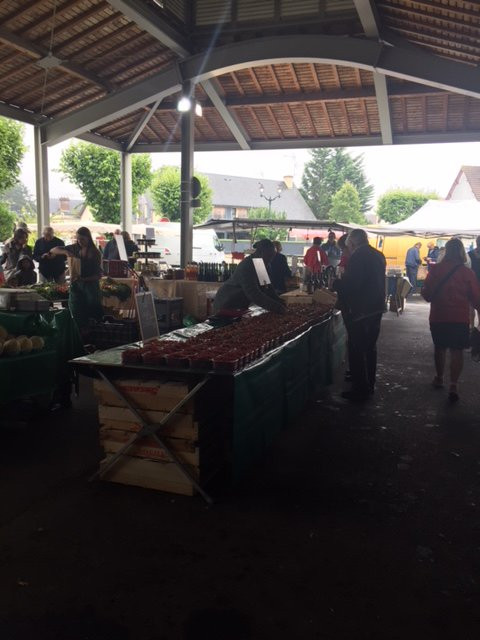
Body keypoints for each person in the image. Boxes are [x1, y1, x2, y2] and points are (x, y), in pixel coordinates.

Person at [422, 237, 480, 403]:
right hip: (460, 318)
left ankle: (439, 378)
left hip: (439, 316)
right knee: (457, 351)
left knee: (439, 348)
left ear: (446, 251)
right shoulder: (467, 273)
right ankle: (453, 384)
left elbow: (426, 295)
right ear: (462, 252)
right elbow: (476, 299)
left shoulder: (435, 270)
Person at [334, 229, 386, 401]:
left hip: (361, 310)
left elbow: (353, 285)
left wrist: (336, 284)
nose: (347, 248)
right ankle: (369, 384)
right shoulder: (378, 255)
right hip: (376, 307)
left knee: (357, 349)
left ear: (353, 243)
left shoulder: (358, 256)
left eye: (348, 244)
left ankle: (360, 389)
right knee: (370, 348)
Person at [47, 227, 103, 334]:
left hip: (90, 287)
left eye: (82, 239)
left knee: (92, 312)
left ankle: (93, 336)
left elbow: (98, 275)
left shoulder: (95, 253)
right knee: (76, 312)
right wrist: (65, 252)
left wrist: (83, 279)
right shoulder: (74, 248)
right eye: (78, 239)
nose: (79, 241)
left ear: (88, 238)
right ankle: (79, 335)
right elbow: (53, 250)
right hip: (76, 286)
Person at [213, 238, 287, 315]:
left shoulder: (260, 264)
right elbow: (254, 293)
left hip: (240, 304)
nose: (270, 260)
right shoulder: (247, 266)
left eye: (272, 257)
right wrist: (277, 307)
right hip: (227, 303)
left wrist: (279, 301)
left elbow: (267, 287)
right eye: (269, 256)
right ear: (261, 253)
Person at [468, 236, 480, 328]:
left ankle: (472, 327)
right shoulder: (470, 254)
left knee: (471, 307)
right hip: (473, 283)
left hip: (472, 283)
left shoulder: (470, 254)